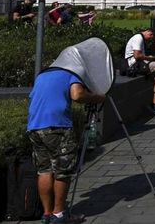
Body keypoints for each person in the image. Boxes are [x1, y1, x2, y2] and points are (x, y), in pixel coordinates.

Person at [27, 64, 105, 224]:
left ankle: (47, 214)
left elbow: (32, 97)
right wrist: (98, 97)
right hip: (57, 126)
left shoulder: (42, 75)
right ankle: (60, 214)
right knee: (63, 170)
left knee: (44, 170)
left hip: (35, 126)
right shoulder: (72, 73)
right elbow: (77, 95)